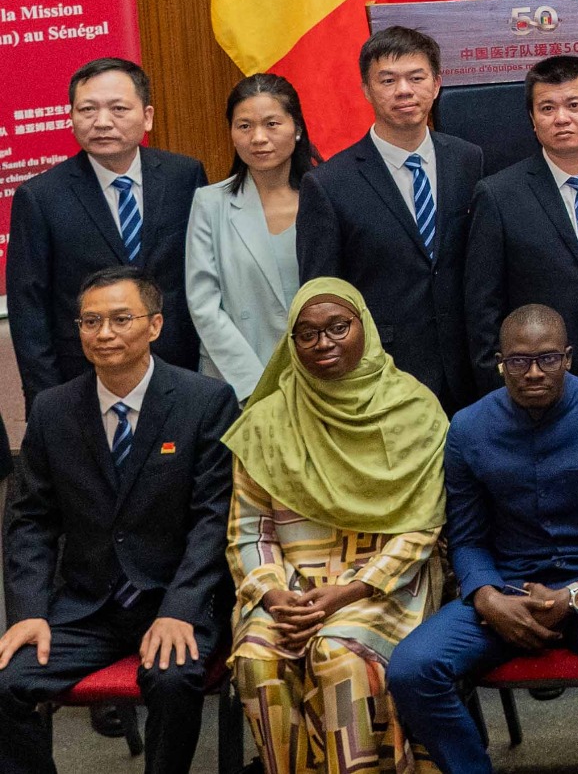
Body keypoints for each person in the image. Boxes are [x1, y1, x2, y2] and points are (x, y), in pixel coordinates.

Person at [388, 304, 578, 774]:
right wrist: (485, 596)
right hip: (509, 585)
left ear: (569, 357)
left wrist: (577, 593)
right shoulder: (469, 428)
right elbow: (468, 538)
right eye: (517, 361)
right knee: (412, 669)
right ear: (500, 362)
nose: (533, 372)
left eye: (548, 359)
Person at [0, 265, 238, 774]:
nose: (104, 334)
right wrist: (27, 611)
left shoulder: (205, 402)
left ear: (154, 325)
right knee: (8, 683)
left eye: (120, 318)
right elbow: (31, 522)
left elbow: (212, 520)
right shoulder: (52, 410)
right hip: (87, 606)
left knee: (173, 680)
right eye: (90, 322)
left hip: (175, 600)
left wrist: (181, 607)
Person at [225, 279, 448, 774]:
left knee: (339, 654)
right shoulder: (265, 422)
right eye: (306, 334)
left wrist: (345, 594)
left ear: (362, 326)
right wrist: (273, 595)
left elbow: (423, 527)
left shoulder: (413, 409)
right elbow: (248, 531)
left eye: (337, 328)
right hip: (292, 589)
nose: (323, 343)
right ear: (292, 344)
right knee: (258, 658)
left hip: (384, 585)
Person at [298, 26, 486, 411]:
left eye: (416, 78)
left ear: (436, 84)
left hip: (471, 370)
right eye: (388, 80)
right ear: (366, 89)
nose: (404, 91)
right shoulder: (328, 184)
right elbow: (324, 299)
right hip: (383, 375)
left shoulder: (469, 160)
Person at [8, 57, 208, 406]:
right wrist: (46, 400)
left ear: (146, 116)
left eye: (118, 109)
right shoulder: (40, 197)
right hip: (82, 380)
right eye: (87, 110)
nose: (102, 122)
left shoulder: (184, 177)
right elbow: (29, 309)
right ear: (70, 117)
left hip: (179, 371)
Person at [463, 56, 578, 392]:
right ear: (533, 120)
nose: (561, 118)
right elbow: (482, 307)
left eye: (574, 105)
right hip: (539, 385)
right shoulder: (497, 195)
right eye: (547, 108)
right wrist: (500, 389)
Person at [186, 73, 317, 398]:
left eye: (272, 124)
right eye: (244, 126)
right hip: (238, 385)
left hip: (320, 379)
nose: (258, 137)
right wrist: (258, 386)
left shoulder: (326, 199)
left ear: (297, 129)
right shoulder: (210, 203)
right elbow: (204, 306)